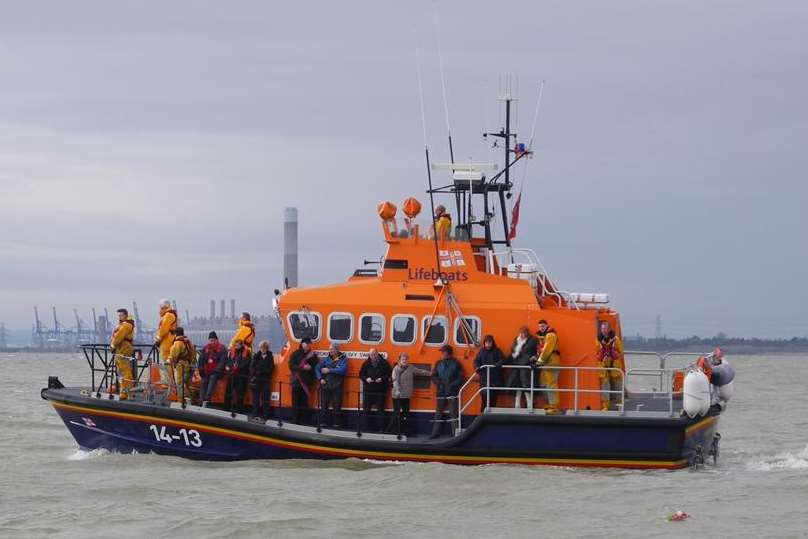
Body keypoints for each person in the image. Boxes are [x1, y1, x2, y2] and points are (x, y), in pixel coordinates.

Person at [389, 353, 431, 436]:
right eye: (403, 359)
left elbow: (419, 371)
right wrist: (397, 390)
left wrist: (429, 373)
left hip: (406, 395)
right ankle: (393, 431)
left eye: (406, 359)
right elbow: (395, 380)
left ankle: (406, 432)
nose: (404, 361)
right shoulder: (396, 369)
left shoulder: (410, 367)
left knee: (406, 414)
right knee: (397, 414)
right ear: (400, 360)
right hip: (397, 395)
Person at [430, 344, 463, 438]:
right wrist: (438, 383)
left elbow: (461, 377)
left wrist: (453, 385)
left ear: (448, 353)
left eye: (443, 352)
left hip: (452, 392)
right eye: (442, 352)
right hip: (440, 391)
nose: (442, 353)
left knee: (453, 413)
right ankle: (435, 433)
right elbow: (433, 376)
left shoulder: (457, 363)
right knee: (438, 414)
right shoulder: (438, 363)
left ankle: (455, 434)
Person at [315, 344, 348, 428]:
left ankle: (336, 424)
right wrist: (320, 379)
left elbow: (342, 370)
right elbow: (316, 368)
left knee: (337, 406)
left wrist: (329, 370)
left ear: (337, 350)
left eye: (332, 349)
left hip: (337, 387)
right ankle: (323, 423)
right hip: (326, 386)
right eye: (330, 349)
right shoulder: (326, 360)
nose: (331, 351)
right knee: (324, 406)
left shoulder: (343, 359)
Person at [358, 348, 391, 432]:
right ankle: (364, 429)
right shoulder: (366, 363)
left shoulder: (385, 363)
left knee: (380, 411)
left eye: (374, 354)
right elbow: (361, 374)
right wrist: (366, 379)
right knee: (366, 410)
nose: (373, 356)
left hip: (380, 391)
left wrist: (382, 379)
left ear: (377, 354)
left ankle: (381, 429)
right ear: (369, 355)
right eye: (371, 354)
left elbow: (389, 374)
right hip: (368, 391)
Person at [507, 326, 538, 409]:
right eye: (521, 333)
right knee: (517, 385)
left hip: (526, 366)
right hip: (517, 366)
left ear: (527, 333)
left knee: (526, 385)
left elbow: (537, 350)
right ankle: (517, 404)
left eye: (524, 333)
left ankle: (529, 404)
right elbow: (512, 350)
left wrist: (535, 357)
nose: (522, 335)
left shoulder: (532, 340)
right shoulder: (516, 340)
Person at [596, 321, 624, 410]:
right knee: (605, 386)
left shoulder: (616, 340)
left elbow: (621, 352)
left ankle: (620, 404)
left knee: (617, 385)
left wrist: (614, 355)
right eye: (602, 329)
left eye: (605, 328)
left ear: (609, 329)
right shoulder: (597, 340)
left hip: (615, 366)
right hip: (603, 366)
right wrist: (600, 357)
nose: (604, 330)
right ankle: (605, 406)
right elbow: (595, 352)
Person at [288, 338, 317, 424]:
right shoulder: (295, 353)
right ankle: (295, 420)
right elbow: (291, 366)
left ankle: (305, 421)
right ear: (302, 344)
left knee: (304, 402)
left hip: (306, 382)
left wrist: (310, 368)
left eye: (309, 344)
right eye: (306, 343)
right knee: (295, 402)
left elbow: (315, 366)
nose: (308, 345)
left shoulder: (312, 355)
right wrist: (302, 367)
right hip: (296, 382)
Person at [535, 319, 561, 413]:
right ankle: (549, 404)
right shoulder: (543, 336)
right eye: (539, 326)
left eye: (542, 326)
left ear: (547, 325)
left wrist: (539, 362)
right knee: (543, 384)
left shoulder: (551, 335)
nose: (541, 328)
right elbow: (541, 350)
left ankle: (553, 406)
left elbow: (547, 350)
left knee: (551, 384)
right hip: (545, 364)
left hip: (552, 363)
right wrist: (536, 358)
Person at [473, 335, 505, 411]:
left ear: (492, 342)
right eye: (486, 342)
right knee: (484, 399)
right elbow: (476, 361)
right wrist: (477, 367)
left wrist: (498, 364)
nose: (488, 344)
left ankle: (491, 417)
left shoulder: (497, 351)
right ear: (484, 343)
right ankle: (483, 415)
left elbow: (502, 359)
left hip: (495, 380)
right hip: (484, 379)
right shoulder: (481, 352)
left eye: (489, 342)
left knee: (493, 400)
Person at [109, 308, 135, 400]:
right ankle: (128, 390)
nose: (119, 317)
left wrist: (112, 345)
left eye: (121, 315)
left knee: (124, 370)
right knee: (123, 369)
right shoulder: (125, 324)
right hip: (121, 348)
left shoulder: (125, 325)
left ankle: (125, 392)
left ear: (125, 315)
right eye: (119, 315)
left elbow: (118, 336)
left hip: (123, 348)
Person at [167, 327, 196, 406]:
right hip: (189, 364)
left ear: (176, 333)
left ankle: (181, 400)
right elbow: (193, 353)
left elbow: (173, 354)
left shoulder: (178, 343)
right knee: (188, 383)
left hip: (181, 365)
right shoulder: (188, 341)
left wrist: (170, 361)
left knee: (179, 383)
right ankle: (192, 399)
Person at [198, 331, 227, 405]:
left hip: (218, 372)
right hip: (208, 370)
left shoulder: (222, 349)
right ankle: (201, 399)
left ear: (217, 340)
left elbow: (222, 362)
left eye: (214, 340)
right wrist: (200, 369)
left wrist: (216, 370)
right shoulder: (205, 348)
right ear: (209, 341)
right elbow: (201, 359)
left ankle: (207, 398)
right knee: (204, 379)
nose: (212, 342)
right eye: (211, 340)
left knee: (212, 377)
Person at [249, 340, 275, 420]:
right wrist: (258, 372)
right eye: (261, 348)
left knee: (265, 399)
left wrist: (260, 371)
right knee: (255, 399)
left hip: (265, 381)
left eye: (264, 348)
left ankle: (265, 415)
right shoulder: (256, 356)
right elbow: (252, 367)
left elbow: (270, 368)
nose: (263, 349)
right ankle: (255, 413)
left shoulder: (270, 356)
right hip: (257, 380)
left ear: (267, 348)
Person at [227, 339, 252, 412]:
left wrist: (238, 367)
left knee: (240, 393)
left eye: (237, 345)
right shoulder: (232, 352)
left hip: (241, 375)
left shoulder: (247, 352)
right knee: (229, 391)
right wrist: (232, 367)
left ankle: (239, 409)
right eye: (235, 345)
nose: (236, 346)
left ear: (241, 345)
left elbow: (247, 362)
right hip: (232, 374)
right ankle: (227, 407)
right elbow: (229, 361)